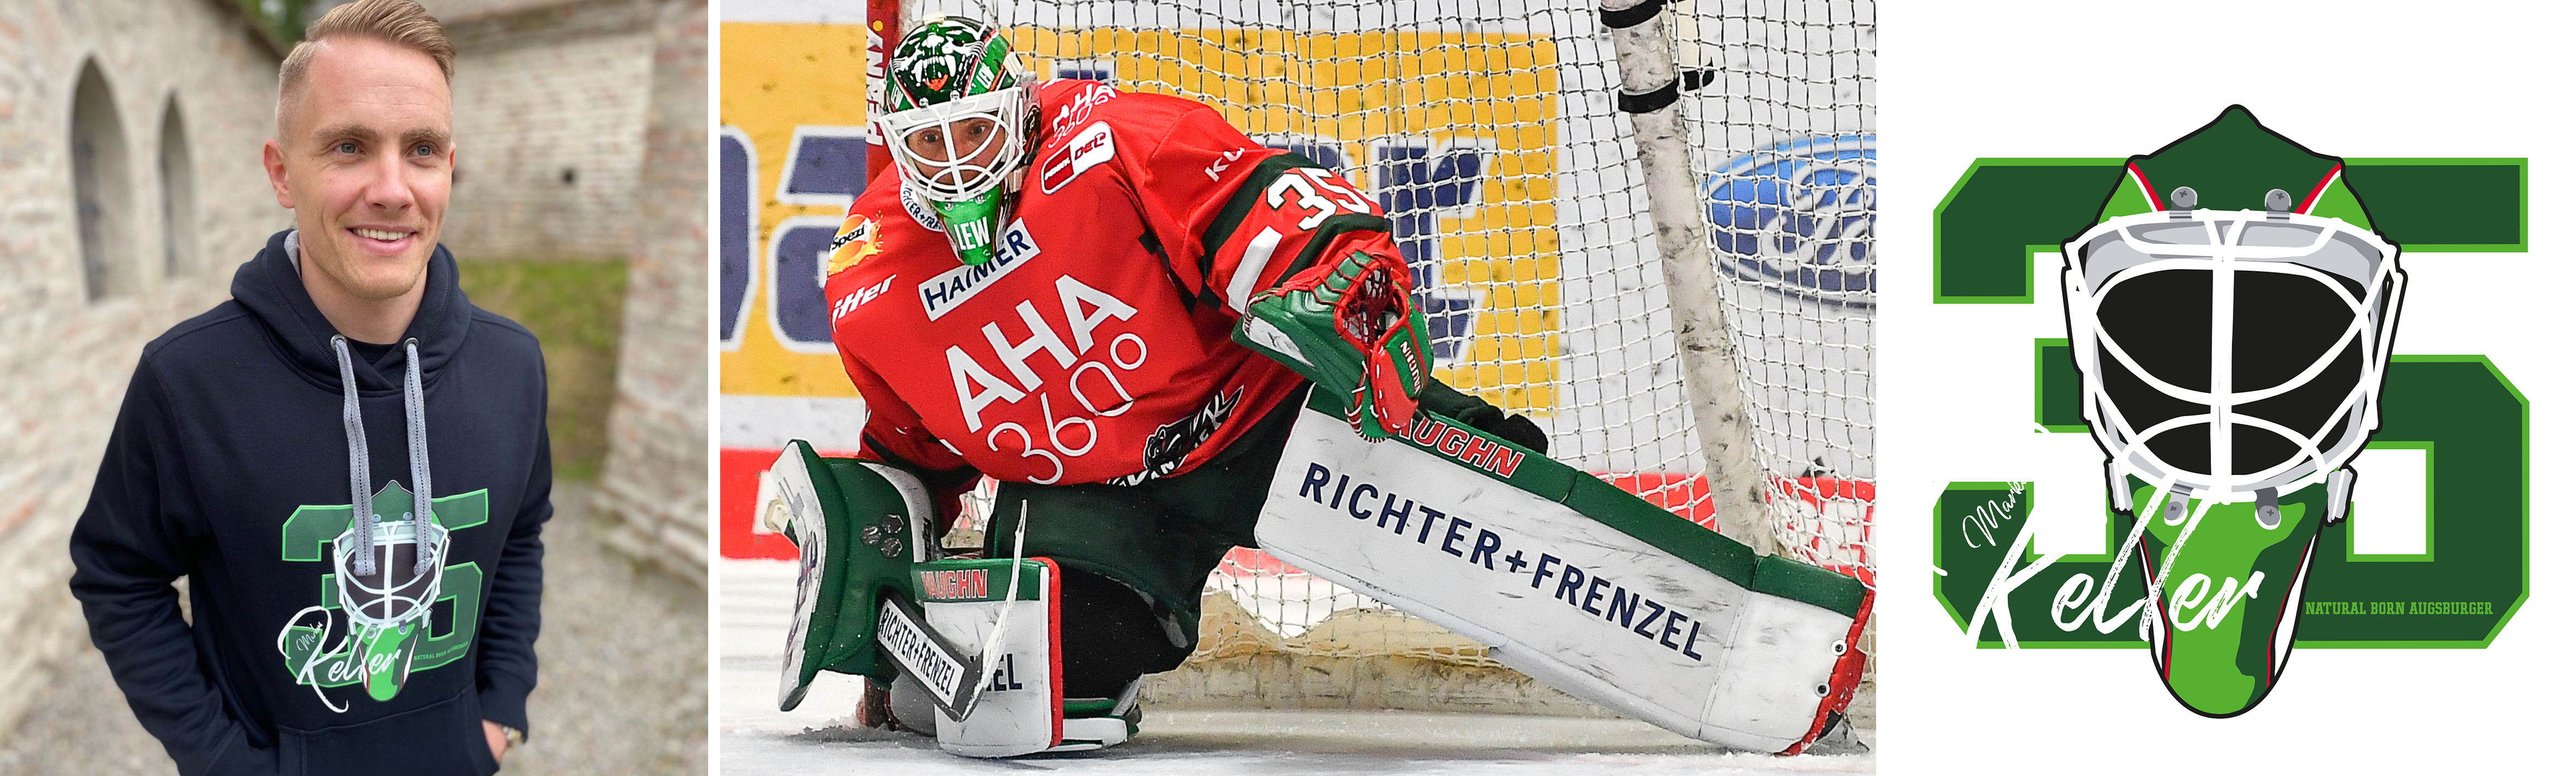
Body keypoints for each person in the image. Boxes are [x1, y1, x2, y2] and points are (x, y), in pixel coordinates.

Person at [812, 15, 1542, 738]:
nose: (957, 162)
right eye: (930, 141)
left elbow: (1269, 211)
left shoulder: (1113, 141)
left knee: (1500, 510)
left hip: (1266, 417)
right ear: (899, 147)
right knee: (1037, 683)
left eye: (976, 130)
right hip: (1097, 502)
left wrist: (1356, 296)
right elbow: (917, 444)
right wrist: (875, 549)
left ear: (1022, 110)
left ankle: (1537, 523)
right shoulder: (868, 281)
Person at [67, 2, 550, 773]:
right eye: (350, 147)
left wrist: (501, 709)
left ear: (449, 169)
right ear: (281, 172)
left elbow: (520, 533)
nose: (392, 189)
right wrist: (225, 762)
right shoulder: (187, 380)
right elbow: (118, 576)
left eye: (422, 149)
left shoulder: (513, 364)